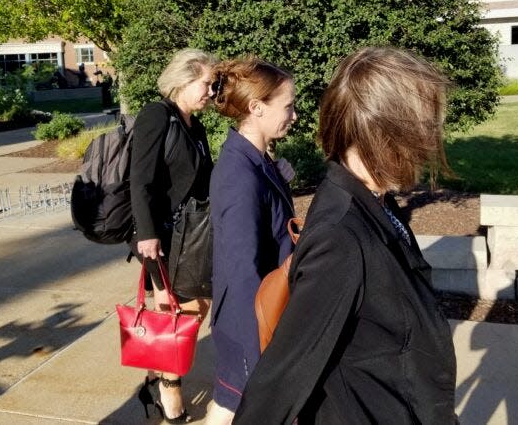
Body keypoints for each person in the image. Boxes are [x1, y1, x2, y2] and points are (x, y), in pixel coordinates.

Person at [234, 47, 458, 424]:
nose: (430, 139)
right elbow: (282, 377)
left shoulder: (374, 198)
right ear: (383, 130)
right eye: (422, 126)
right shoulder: (340, 237)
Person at [207, 57, 297, 424]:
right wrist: (259, 340)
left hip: (260, 312)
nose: (294, 114)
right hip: (251, 318)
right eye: (288, 106)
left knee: (229, 406)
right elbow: (241, 268)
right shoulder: (239, 173)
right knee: (233, 407)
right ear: (257, 108)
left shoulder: (256, 160)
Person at [129, 48, 217, 423]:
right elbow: (141, 178)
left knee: (186, 312)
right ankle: (171, 405)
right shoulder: (156, 115)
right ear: (184, 79)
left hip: (188, 237)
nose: (213, 92)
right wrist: (146, 234)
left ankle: (154, 383)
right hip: (160, 237)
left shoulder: (193, 126)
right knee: (173, 318)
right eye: (208, 84)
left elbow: (205, 179)